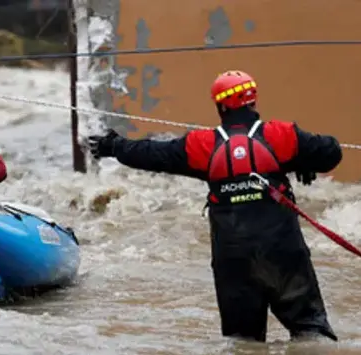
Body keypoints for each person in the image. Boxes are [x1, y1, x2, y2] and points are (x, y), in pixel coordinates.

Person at [88, 70, 342, 343]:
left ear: (220, 106)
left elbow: (152, 154)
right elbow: (331, 152)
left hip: (233, 261)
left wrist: (113, 146)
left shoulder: (201, 145)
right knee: (311, 334)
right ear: (253, 101)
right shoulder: (283, 135)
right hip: (284, 253)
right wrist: (302, 162)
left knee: (242, 343)